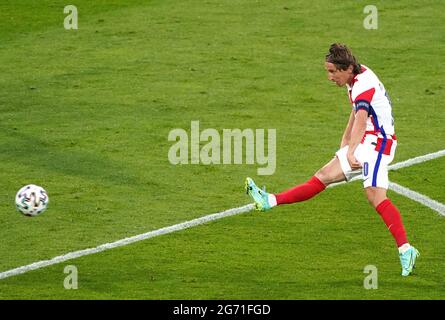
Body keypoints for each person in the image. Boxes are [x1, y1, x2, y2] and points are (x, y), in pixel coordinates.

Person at [245, 43, 419, 277]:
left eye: (332, 71)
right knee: (324, 175)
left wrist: (351, 149)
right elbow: (356, 111)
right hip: (366, 139)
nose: (329, 77)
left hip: (379, 143)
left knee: (375, 196)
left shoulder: (363, 84)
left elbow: (361, 117)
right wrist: (346, 138)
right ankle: (270, 201)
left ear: (347, 68)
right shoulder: (355, 79)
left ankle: (406, 250)